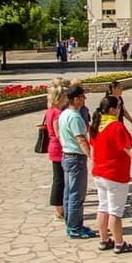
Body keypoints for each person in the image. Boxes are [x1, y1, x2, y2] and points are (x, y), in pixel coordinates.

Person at [89, 96, 132, 254]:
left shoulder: (95, 125)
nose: (120, 110)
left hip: (99, 173)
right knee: (115, 211)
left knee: (103, 207)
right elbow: (128, 148)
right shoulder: (116, 127)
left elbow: (92, 149)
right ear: (113, 109)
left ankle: (104, 239)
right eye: (119, 107)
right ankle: (119, 243)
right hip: (114, 174)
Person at [58, 85, 97, 238]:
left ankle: (72, 223)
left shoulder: (64, 114)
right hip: (75, 158)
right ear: (75, 99)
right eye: (82, 97)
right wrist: (91, 156)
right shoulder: (73, 116)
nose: (84, 99)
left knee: (69, 193)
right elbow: (80, 138)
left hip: (67, 155)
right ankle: (74, 227)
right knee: (76, 194)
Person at [45, 85, 68, 221]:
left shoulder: (50, 111)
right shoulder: (56, 113)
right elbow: (58, 133)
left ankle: (60, 208)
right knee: (59, 180)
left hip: (54, 147)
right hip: (58, 148)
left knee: (59, 179)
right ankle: (59, 209)